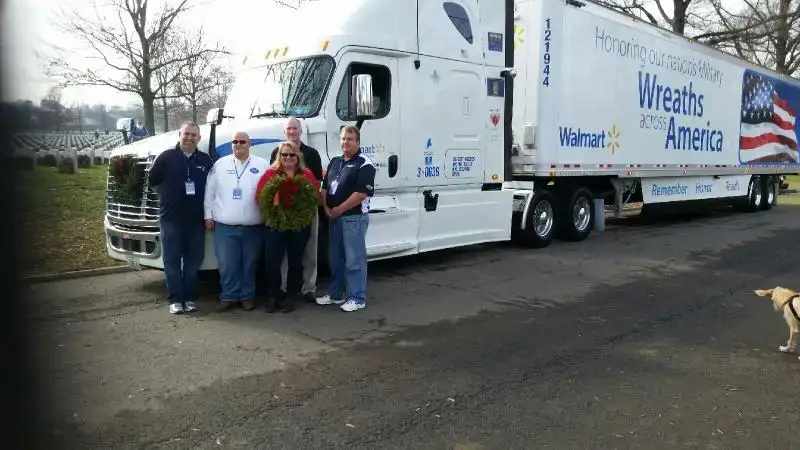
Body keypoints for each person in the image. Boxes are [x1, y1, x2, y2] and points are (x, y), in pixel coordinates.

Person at [148, 121, 213, 314]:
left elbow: (212, 186)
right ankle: (176, 299)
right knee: (172, 259)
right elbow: (153, 181)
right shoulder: (166, 157)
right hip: (171, 218)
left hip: (195, 219)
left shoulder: (205, 160)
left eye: (194, 135)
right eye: (187, 134)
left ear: (199, 138)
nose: (190, 137)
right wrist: (168, 196)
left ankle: (190, 298)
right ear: (180, 134)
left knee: (194, 260)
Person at [203, 131, 269, 312]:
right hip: (225, 226)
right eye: (235, 142)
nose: (238, 144)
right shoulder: (220, 165)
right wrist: (207, 215)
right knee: (226, 264)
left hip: (253, 226)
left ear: (249, 144)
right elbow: (210, 192)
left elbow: (270, 192)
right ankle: (228, 296)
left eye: (242, 141)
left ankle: (247, 296)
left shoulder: (262, 165)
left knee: (249, 264)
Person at [316, 125, 375, 312]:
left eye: (350, 139)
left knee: (354, 260)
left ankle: (357, 298)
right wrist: (326, 208)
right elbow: (324, 189)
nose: (345, 142)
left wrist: (339, 209)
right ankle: (336, 295)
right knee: (336, 259)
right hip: (334, 218)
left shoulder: (364, 163)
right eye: (343, 139)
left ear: (358, 142)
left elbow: (360, 194)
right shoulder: (335, 161)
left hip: (353, 218)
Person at [256, 141, 321, 313]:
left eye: (292, 155)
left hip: (299, 226)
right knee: (272, 261)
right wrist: (270, 214)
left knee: (295, 261)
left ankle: (290, 296)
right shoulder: (270, 174)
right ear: (279, 156)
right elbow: (260, 197)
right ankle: (274, 294)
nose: (288, 158)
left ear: (298, 156)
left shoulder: (306, 175)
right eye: (284, 154)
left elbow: (314, 197)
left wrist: (301, 215)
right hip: (275, 225)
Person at [270, 117, 324, 303]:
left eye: (295, 128)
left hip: (308, 210)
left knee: (310, 250)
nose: (292, 131)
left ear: (301, 131)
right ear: (284, 132)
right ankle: (284, 288)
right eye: (289, 129)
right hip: (284, 211)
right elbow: (272, 180)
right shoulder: (277, 152)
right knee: (285, 252)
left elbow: (317, 183)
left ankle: (309, 288)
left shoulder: (312, 154)